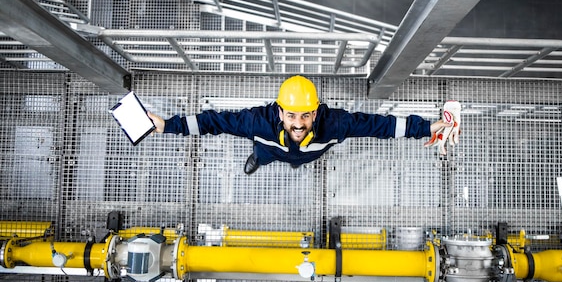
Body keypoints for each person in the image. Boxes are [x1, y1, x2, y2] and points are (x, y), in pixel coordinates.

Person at [148, 75, 458, 175]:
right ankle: (259, 158)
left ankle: (298, 160)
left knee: (303, 158)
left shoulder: (334, 124)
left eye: (306, 115)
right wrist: (167, 125)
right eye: (292, 115)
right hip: (269, 148)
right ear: (279, 110)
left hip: (312, 154)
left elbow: (378, 125)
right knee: (266, 154)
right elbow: (212, 121)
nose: (299, 124)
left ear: (316, 111)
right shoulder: (256, 121)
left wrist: (426, 128)